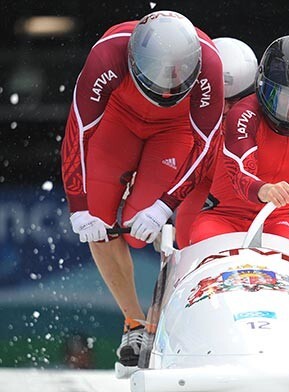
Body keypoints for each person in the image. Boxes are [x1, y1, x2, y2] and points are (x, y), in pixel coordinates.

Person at [61, 10, 224, 367]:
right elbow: (78, 133)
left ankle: (162, 321)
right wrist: (78, 205)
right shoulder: (107, 54)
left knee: (138, 231)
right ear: (133, 61)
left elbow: (205, 147)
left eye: (175, 82)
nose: (165, 90)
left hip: (175, 130)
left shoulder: (209, 63)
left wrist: (164, 206)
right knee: (99, 222)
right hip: (119, 120)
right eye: (157, 81)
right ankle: (134, 321)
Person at [189, 35, 289, 271]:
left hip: (279, 220)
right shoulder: (243, 113)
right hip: (223, 216)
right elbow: (239, 172)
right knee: (205, 252)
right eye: (280, 96)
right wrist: (266, 190)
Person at [174, 37, 258, 248]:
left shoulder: (260, 118)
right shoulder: (180, 110)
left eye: (235, 101)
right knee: (186, 240)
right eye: (219, 100)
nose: (225, 110)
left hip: (240, 192)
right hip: (198, 184)